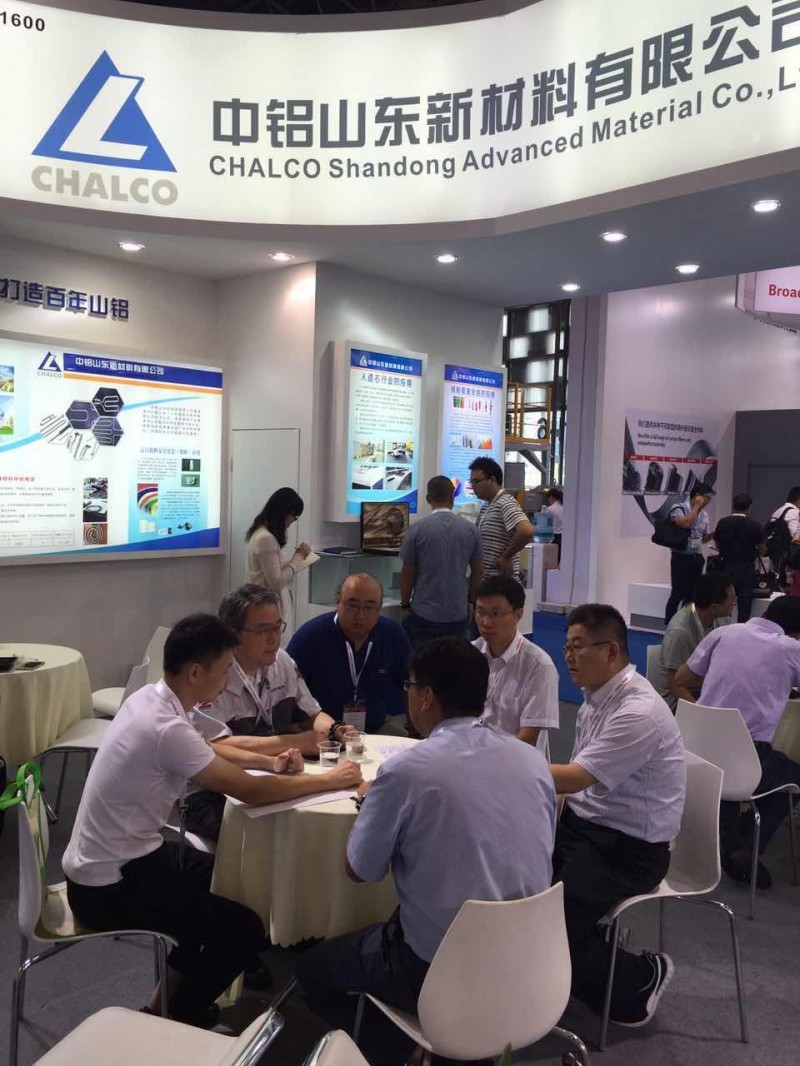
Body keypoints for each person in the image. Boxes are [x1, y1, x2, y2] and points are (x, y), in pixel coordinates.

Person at [62, 615, 362, 1029]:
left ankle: (163, 1002)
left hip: (117, 858)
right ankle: (183, 1012)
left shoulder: (152, 699)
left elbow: (213, 746)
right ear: (195, 672)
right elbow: (249, 791)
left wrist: (271, 762)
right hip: (108, 885)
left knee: (231, 878)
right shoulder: (165, 727)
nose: (225, 682)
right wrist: (330, 780)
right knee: (244, 929)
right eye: (222, 672)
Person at [295, 638, 556, 1064]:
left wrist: (371, 804)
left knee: (310, 970)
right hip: (531, 958)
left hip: (437, 969)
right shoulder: (532, 761)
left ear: (427, 696)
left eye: (409, 686)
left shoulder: (406, 772)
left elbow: (360, 870)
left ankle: (396, 1048)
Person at [551, 604, 686, 1028]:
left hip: (629, 850)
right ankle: (575, 957)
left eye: (578, 647)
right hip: (586, 829)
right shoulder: (595, 698)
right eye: (567, 647)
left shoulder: (637, 712)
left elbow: (576, 777)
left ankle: (640, 978)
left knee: (548, 921)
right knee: (514, 885)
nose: (569, 657)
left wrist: (502, 763)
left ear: (611, 651)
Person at [184, 585, 357, 840]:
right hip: (213, 793)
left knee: (322, 818)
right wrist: (296, 742)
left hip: (272, 775)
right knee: (281, 836)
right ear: (232, 634)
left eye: (277, 627)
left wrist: (334, 729)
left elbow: (312, 713)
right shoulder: (214, 673)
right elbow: (215, 746)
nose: (273, 638)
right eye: (262, 630)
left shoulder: (282, 662)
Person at [674, 595, 800, 889]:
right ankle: (746, 846)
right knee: (792, 776)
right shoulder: (791, 649)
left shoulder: (724, 632)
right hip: (744, 759)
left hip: (695, 749)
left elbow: (681, 677)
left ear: (765, 614)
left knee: (738, 769)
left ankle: (728, 836)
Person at [287, 574, 411, 734]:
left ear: (379, 608)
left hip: (376, 728)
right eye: (353, 606)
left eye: (369, 607)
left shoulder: (392, 634)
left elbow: (412, 682)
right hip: (322, 732)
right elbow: (286, 689)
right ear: (338, 602)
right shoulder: (311, 636)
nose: (360, 615)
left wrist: (415, 727)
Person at [473, 574, 559, 754]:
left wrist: (484, 759)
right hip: (470, 757)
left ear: (518, 614)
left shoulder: (538, 666)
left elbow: (528, 738)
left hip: (515, 762)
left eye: (495, 614)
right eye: (480, 612)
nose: (486, 622)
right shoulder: (469, 654)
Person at [398, 475, 482, 646]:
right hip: (458, 613)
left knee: (423, 659)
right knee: (455, 659)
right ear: (452, 497)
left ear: (428, 499)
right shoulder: (471, 530)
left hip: (424, 613)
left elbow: (408, 571)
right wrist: (471, 602)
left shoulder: (416, 529)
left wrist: (405, 605)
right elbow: (478, 571)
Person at [657, 571, 735, 711]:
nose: (734, 605)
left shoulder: (723, 620)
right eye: (732, 601)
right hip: (680, 700)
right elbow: (675, 686)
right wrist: (702, 713)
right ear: (714, 607)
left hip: (707, 690)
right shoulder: (680, 632)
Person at [246, 487, 311, 638]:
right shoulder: (266, 539)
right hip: (266, 605)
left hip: (267, 603)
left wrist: (296, 559)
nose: (292, 522)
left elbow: (275, 570)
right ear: (285, 513)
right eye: (294, 517)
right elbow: (276, 582)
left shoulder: (264, 535)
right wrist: (298, 557)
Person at [468, 457, 533, 581]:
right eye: (471, 483)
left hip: (501, 585)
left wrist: (506, 557)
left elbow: (526, 531)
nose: (473, 487)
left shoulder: (505, 502)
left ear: (492, 480)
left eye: (476, 482)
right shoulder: (487, 506)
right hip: (488, 583)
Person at [664, 486, 715, 624]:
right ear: (698, 495)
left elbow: (703, 539)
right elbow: (685, 523)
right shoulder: (678, 508)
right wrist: (696, 507)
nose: (708, 501)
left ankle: (686, 624)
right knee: (677, 593)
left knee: (691, 595)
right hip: (680, 557)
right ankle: (669, 624)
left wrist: (712, 535)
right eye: (707, 497)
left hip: (696, 558)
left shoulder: (705, 515)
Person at [713, 493, 764, 622]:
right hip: (746, 567)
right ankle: (742, 627)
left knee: (724, 598)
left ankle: (723, 625)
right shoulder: (755, 525)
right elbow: (762, 548)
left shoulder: (723, 523)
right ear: (750, 507)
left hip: (726, 565)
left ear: (733, 505)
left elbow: (717, 544)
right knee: (745, 600)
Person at [766, 488, 800, 591]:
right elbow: (795, 535)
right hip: (785, 555)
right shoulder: (793, 512)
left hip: (774, 552)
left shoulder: (779, 511)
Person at [543, 486, 564, 561]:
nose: (548, 500)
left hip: (553, 537)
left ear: (551, 497)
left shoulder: (549, 509)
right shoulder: (564, 508)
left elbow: (544, 524)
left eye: (548, 498)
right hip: (562, 536)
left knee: (553, 559)